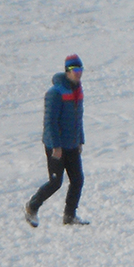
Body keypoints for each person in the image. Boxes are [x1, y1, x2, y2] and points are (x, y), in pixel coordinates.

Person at [24, 54, 89, 227]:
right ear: (67, 71)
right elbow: (50, 122)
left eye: (80, 69)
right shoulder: (55, 93)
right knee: (55, 182)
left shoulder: (77, 91)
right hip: (57, 146)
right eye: (74, 69)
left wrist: (80, 140)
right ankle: (32, 207)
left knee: (77, 180)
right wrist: (55, 146)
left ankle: (69, 216)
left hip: (72, 144)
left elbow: (78, 118)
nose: (78, 73)